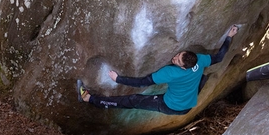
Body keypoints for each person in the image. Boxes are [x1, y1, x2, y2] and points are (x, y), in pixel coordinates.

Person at [77, 24, 239, 115]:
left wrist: (118, 79)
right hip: (188, 103)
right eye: (179, 54)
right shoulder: (199, 60)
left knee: (132, 101)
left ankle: (90, 99)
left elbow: (142, 82)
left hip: (172, 106)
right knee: (200, 78)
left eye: (177, 60)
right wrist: (229, 37)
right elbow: (219, 57)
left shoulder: (170, 72)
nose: (174, 58)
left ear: (183, 67)